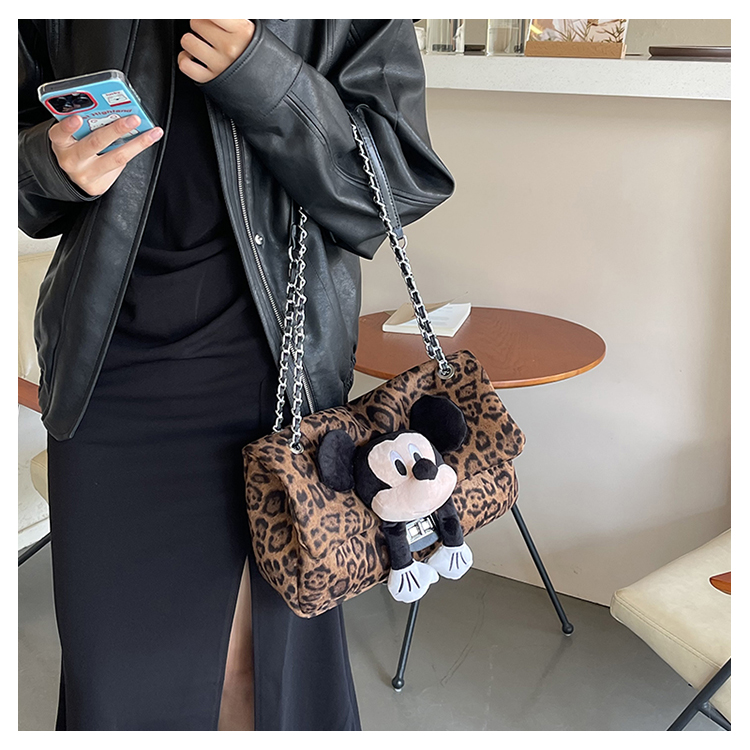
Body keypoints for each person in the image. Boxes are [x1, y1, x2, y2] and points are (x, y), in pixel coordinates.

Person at [18, 19, 454, 731]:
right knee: (113, 691)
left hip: (266, 387)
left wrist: (259, 73)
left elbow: (396, 186)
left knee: (254, 682)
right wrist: (46, 163)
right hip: (105, 383)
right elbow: (24, 179)